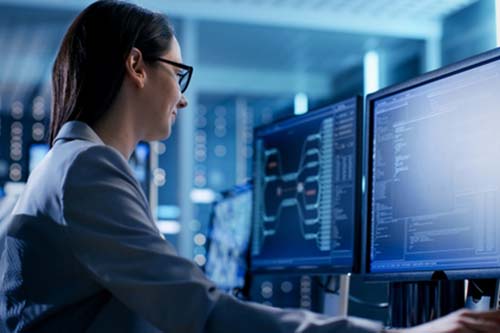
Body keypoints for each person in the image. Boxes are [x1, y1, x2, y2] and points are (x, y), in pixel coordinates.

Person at [0, 1, 500, 332]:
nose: (183, 99)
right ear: (136, 66)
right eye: (179, 74)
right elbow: (203, 313)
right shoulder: (86, 171)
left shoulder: (72, 166)